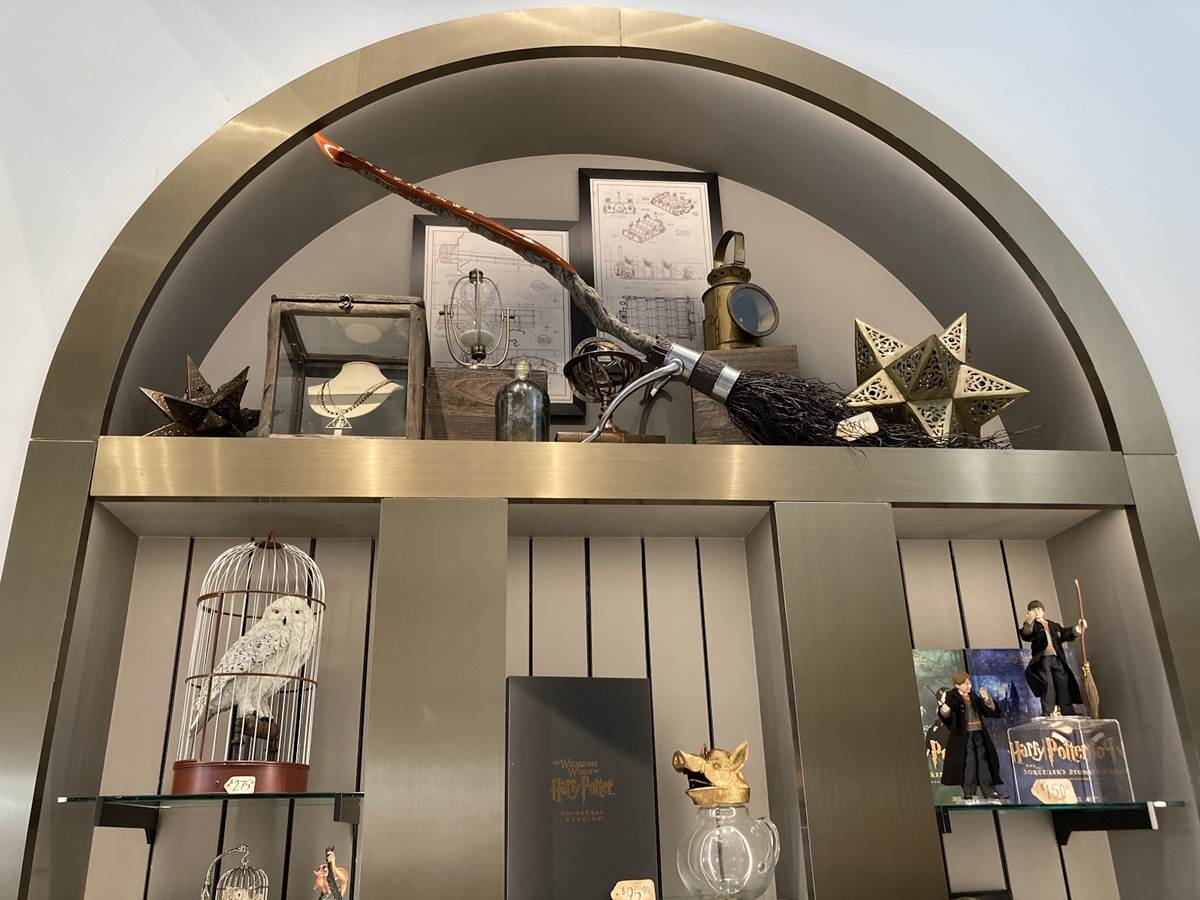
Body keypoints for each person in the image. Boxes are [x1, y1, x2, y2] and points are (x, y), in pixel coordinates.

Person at [939, 671, 1005, 801]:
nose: (969, 685)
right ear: (957, 685)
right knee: (969, 762)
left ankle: (989, 791)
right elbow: (947, 714)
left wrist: (987, 699)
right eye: (965, 683)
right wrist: (944, 710)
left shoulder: (973, 696)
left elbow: (987, 711)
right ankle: (969, 791)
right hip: (963, 736)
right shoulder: (952, 697)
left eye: (969, 683)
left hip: (978, 732)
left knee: (983, 761)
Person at [1019, 600, 1087, 716]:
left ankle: (1067, 711)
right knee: (1047, 684)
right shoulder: (1033, 626)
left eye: (1039, 609)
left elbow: (1064, 634)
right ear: (1029, 612)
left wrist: (1077, 629)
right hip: (1043, 658)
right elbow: (1026, 634)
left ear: (1043, 611)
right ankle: (1047, 711)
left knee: (1063, 682)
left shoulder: (1052, 625)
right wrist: (1029, 621)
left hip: (1057, 657)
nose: (1037, 611)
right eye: (1033, 610)